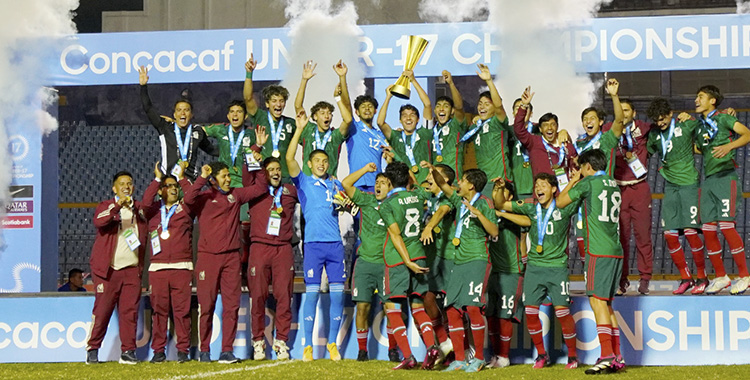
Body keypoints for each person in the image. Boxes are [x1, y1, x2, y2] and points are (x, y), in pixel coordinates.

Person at [182, 148, 267, 364]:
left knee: (232, 306)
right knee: (207, 306)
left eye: (229, 175)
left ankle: (226, 351)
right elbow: (188, 198)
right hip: (208, 258)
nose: (229, 179)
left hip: (231, 258)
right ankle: (204, 351)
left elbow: (260, 187)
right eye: (224, 176)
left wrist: (256, 164)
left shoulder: (236, 195)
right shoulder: (203, 197)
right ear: (213, 180)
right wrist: (202, 177)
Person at [494, 174, 579, 369]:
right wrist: (498, 189)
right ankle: (541, 355)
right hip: (533, 268)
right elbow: (501, 204)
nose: (538, 189)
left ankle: (573, 357)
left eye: (543, 185)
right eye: (536, 185)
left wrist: (574, 180)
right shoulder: (531, 208)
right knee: (531, 314)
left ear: (554, 189)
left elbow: (578, 196)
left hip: (557, 268)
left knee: (563, 313)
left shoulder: (564, 208)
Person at [556, 149, 625, 374]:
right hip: (616, 249)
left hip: (598, 250)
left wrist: (573, 181)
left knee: (596, 302)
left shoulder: (588, 184)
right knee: (606, 303)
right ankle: (617, 356)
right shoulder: (613, 183)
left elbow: (560, 202)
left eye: (581, 168)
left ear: (587, 167)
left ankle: (606, 355)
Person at [287, 110, 347, 362]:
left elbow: (345, 201)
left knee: (337, 295)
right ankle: (308, 347)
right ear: (310, 164)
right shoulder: (303, 181)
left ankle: (333, 344)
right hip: (312, 246)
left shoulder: (336, 184)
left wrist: (344, 204)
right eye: (317, 160)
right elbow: (290, 157)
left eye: (325, 160)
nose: (322, 163)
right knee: (311, 294)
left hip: (335, 246)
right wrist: (299, 129)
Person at [427, 163, 498, 373]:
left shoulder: (485, 203)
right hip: (458, 262)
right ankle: (459, 359)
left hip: (477, 260)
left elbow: (494, 231)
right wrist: (433, 169)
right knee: (452, 308)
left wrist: (479, 215)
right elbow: (443, 184)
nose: (459, 182)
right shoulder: (460, 200)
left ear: (472, 185)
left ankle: (478, 359)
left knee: (473, 308)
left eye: (463, 180)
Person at [378, 161, 440, 370]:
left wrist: (406, 262)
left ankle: (408, 357)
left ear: (388, 180)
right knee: (418, 306)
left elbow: (395, 235)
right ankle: (431, 346)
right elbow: (435, 191)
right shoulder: (419, 196)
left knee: (393, 308)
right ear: (408, 179)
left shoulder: (387, 204)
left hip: (397, 260)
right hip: (420, 255)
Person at [645, 98, 708, 295]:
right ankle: (685, 278)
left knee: (690, 232)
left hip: (689, 184)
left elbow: (706, 130)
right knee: (669, 234)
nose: (660, 123)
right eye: (657, 120)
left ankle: (702, 277)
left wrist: (729, 111)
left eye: (663, 119)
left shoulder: (686, 123)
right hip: (670, 187)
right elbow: (644, 151)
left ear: (671, 114)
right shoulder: (655, 134)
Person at [86, 171, 148, 365]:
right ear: (114, 188)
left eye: (130, 183)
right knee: (102, 311)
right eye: (122, 184)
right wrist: (117, 205)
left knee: (129, 313)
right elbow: (99, 221)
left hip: (131, 269)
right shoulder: (106, 206)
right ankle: (93, 349)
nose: (126, 187)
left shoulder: (138, 209)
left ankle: (128, 351)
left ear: (134, 187)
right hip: (108, 271)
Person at [693, 85, 750, 295]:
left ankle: (745, 276)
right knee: (707, 230)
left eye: (700, 97)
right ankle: (721, 277)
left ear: (712, 101)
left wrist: (729, 147)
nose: (696, 100)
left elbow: (746, 134)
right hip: (708, 180)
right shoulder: (699, 127)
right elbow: (699, 148)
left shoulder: (724, 119)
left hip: (726, 178)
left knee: (727, 227)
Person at [245, 155, 299, 361]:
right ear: (263, 173)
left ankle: (281, 342)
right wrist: (255, 150)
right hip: (259, 248)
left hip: (283, 249)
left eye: (278, 169)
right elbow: (246, 173)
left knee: (284, 297)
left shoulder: (290, 191)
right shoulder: (255, 190)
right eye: (271, 169)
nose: (276, 172)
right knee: (257, 297)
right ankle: (258, 341)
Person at [142, 162, 194, 363]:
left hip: (182, 267)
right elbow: (145, 203)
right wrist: (157, 179)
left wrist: (182, 178)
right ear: (162, 190)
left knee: (182, 312)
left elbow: (192, 195)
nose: (173, 189)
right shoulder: (154, 209)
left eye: (175, 186)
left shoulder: (186, 208)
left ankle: (183, 351)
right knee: (159, 312)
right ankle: (158, 351)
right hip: (158, 268)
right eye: (169, 186)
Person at [573, 79, 626, 280]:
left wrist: (614, 95)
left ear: (601, 122)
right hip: (584, 198)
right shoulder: (578, 145)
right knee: (583, 238)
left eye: (592, 118)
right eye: (585, 118)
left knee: (606, 240)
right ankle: (589, 277)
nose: (588, 121)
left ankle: (615, 280)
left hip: (603, 198)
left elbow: (620, 121)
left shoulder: (606, 140)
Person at [603, 98, 654, 295]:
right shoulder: (609, 128)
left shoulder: (645, 128)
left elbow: (666, 124)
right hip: (618, 190)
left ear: (634, 113)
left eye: (627, 110)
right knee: (621, 238)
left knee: (643, 236)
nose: (623, 114)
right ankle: (621, 280)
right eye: (620, 110)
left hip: (639, 188)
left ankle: (645, 278)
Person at [342, 163, 392, 361]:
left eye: (383, 183)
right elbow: (346, 183)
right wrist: (364, 170)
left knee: (391, 309)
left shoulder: (395, 203)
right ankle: (362, 351)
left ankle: (393, 350)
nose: (378, 186)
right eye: (376, 182)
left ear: (391, 186)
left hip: (388, 264)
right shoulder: (366, 199)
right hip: (365, 263)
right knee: (363, 307)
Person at [138, 66, 218, 181]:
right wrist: (143, 87)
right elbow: (148, 108)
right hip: (168, 181)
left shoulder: (198, 132)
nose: (183, 113)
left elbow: (211, 150)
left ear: (192, 114)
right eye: (179, 110)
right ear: (174, 114)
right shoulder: (165, 127)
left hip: (189, 182)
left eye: (186, 110)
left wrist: (235, 149)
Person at [419, 164, 458, 362]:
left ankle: (463, 348)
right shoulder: (430, 198)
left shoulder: (449, 197)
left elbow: (441, 211)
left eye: (433, 175)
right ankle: (444, 343)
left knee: (454, 306)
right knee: (428, 298)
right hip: (436, 258)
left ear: (446, 182)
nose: (429, 178)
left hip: (452, 256)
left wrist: (429, 227)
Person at [484, 179, 525, 368]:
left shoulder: (516, 213)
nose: (495, 195)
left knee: (504, 315)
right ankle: (495, 355)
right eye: (494, 191)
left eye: (500, 191)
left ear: (509, 196)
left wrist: (501, 212)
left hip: (511, 271)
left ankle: (504, 356)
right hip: (492, 271)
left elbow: (528, 222)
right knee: (491, 314)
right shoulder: (488, 215)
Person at [294, 60, 352, 176]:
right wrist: (304, 80)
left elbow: (348, 120)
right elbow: (298, 106)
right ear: (314, 116)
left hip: (329, 183)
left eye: (329, 113)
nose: (327, 116)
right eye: (322, 113)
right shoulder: (308, 129)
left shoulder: (335, 135)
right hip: (309, 184)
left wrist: (338, 97)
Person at [244, 55, 296, 182]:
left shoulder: (291, 123)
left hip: (284, 176)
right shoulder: (260, 116)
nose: (278, 104)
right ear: (267, 104)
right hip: (262, 174)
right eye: (274, 101)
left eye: (281, 101)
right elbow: (248, 98)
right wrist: (249, 74)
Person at [513, 87, 576, 191]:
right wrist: (524, 106)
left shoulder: (566, 145)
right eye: (545, 125)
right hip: (541, 196)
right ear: (540, 129)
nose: (549, 128)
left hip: (564, 196)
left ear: (557, 127)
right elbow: (518, 129)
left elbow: (575, 166)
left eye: (553, 124)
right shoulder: (534, 142)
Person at [377, 70, 434, 184]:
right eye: (404, 116)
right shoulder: (395, 135)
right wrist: (388, 97)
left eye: (412, 115)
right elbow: (380, 122)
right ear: (400, 120)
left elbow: (427, 104)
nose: (408, 118)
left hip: (425, 185)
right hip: (404, 186)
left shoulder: (425, 132)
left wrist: (413, 80)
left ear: (418, 119)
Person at [462, 64, 512, 195]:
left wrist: (489, 81)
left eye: (487, 104)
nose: (482, 107)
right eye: (480, 104)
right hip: (483, 182)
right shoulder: (475, 126)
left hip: (499, 180)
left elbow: (499, 106)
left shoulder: (497, 122)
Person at [432, 70, 468, 182]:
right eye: (438, 106)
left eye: (446, 106)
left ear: (452, 111)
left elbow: (459, 106)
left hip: (454, 181)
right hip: (435, 181)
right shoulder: (431, 130)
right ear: (435, 110)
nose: (441, 109)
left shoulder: (456, 125)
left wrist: (451, 83)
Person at [508, 98, 536, 200]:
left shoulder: (539, 129)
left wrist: (563, 132)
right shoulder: (507, 131)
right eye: (517, 108)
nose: (521, 111)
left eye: (525, 108)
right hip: (515, 186)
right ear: (513, 113)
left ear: (531, 113)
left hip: (536, 187)